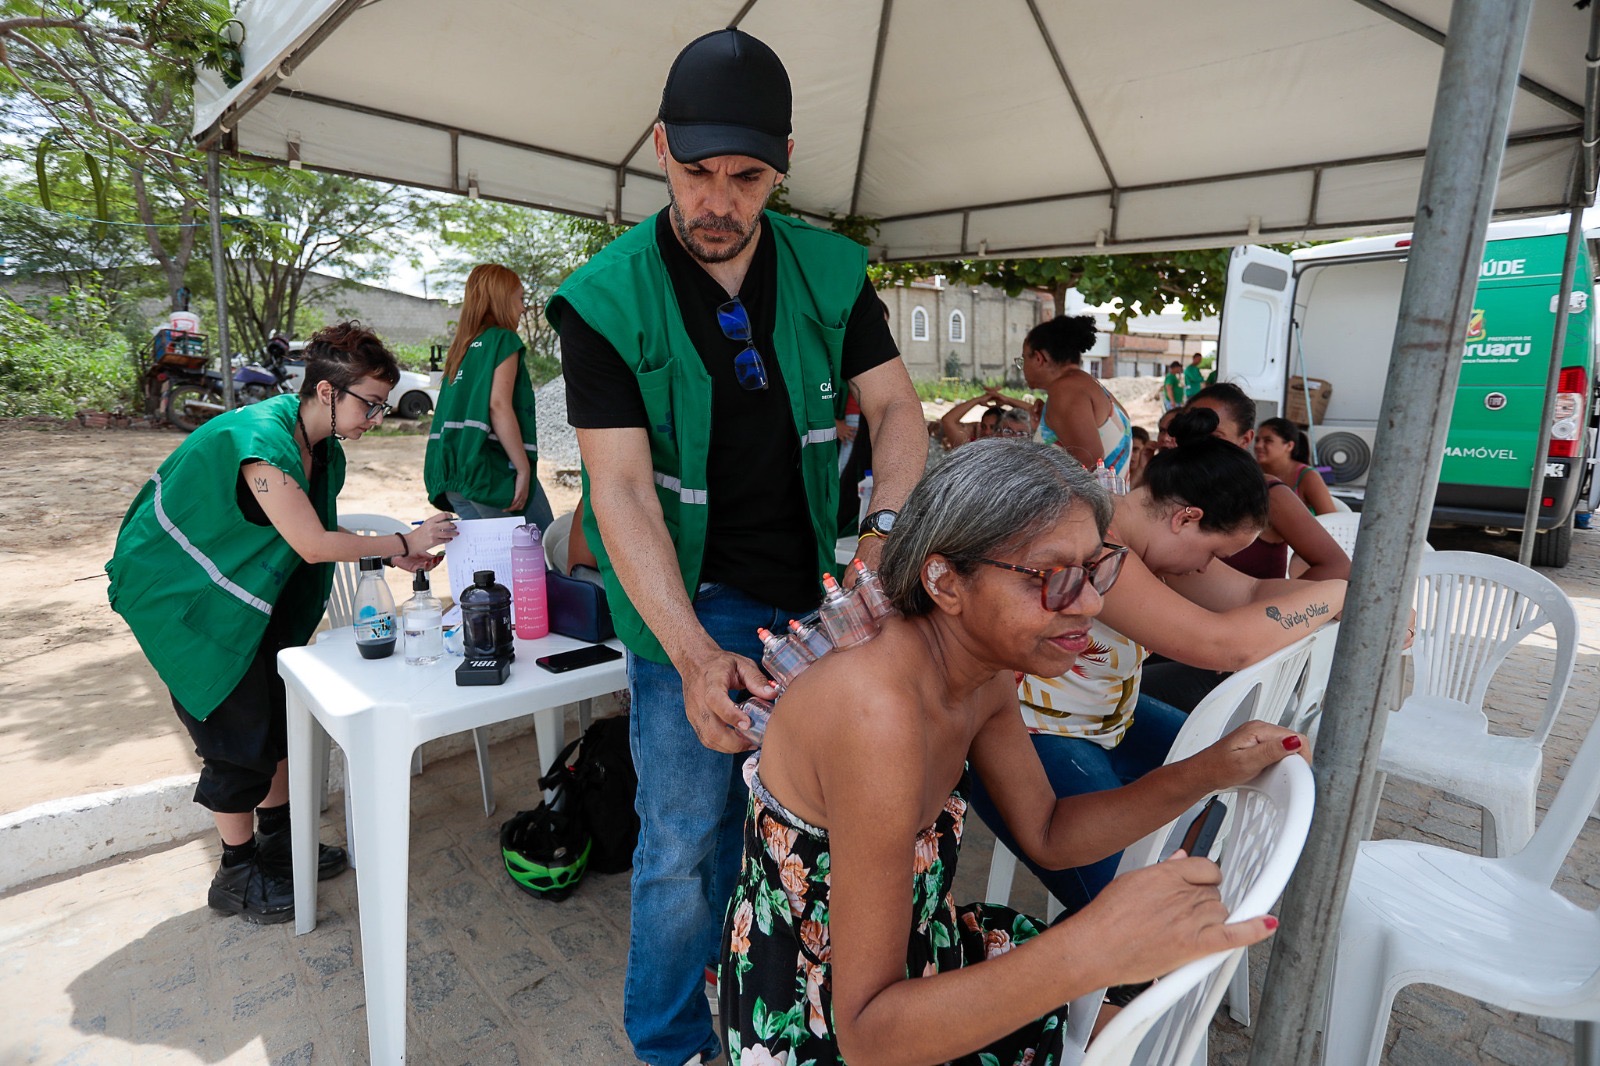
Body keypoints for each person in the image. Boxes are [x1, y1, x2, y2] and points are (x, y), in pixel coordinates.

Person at [547, 28, 925, 1066]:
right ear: (658, 145)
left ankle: (750, 1003)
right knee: (678, 836)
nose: (717, 200)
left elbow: (897, 414)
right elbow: (617, 488)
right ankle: (668, 1045)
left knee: (793, 819)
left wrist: (883, 538)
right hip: (687, 592)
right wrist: (689, 650)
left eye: (745, 177)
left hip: (813, 586)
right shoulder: (605, 299)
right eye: (694, 170)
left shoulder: (829, 273)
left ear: (782, 165)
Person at [719, 439, 1306, 1064]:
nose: (1092, 603)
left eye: (1096, 568)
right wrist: (1092, 946)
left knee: (1124, 1020)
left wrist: (1210, 769)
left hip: (916, 962)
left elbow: (1049, 831)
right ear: (944, 580)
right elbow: (867, 1035)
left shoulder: (980, 672)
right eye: (1053, 579)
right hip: (820, 1018)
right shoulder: (875, 714)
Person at [106, 323, 457, 923]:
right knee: (235, 734)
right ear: (326, 392)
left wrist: (390, 553)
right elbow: (312, 542)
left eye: (382, 405)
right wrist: (403, 536)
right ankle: (235, 873)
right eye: (370, 403)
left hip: (242, 591)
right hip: (184, 596)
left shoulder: (322, 448)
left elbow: (308, 528)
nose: (376, 417)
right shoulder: (261, 441)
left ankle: (279, 841)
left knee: (277, 716)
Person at [969, 409, 1346, 913]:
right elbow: (1223, 645)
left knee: (1261, 771)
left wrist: (1349, 599)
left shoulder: (1151, 536)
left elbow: (1253, 591)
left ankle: (1202, 878)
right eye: (1212, 550)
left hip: (1109, 719)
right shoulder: (1099, 543)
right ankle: (1133, 972)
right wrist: (1339, 593)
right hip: (1035, 730)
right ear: (1185, 517)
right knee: (1130, 904)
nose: (1202, 568)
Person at [424, 263, 554, 530]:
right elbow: (498, 406)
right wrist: (523, 469)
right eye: (520, 299)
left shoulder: (460, 348)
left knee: (492, 562)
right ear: (501, 299)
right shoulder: (503, 341)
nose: (523, 308)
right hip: (490, 473)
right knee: (542, 550)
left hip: (453, 477)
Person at [1187, 383, 1349, 582]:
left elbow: (1337, 565)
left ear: (1245, 439)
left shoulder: (1267, 492)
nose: (1197, 443)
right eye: (1190, 431)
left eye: (1215, 436)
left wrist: (1273, 607)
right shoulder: (1166, 488)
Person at [1016, 314, 1134, 479]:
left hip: (1092, 504)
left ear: (1038, 358)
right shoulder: (1089, 384)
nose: (1022, 367)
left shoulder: (1065, 390)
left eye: (1022, 359)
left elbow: (1089, 461)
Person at [1255, 416, 1338, 517]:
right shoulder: (1252, 472)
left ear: (1289, 446)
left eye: (1268, 441)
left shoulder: (1307, 476)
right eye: (1257, 440)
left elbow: (1332, 520)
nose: (1258, 446)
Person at [937, 386, 1037, 449]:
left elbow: (1040, 417)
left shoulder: (1024, 452)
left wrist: (1007, 400)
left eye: (993, 428)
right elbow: (948, 420)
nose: (987, 432)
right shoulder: (974, 449)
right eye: (984, 427)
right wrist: (978, 400)